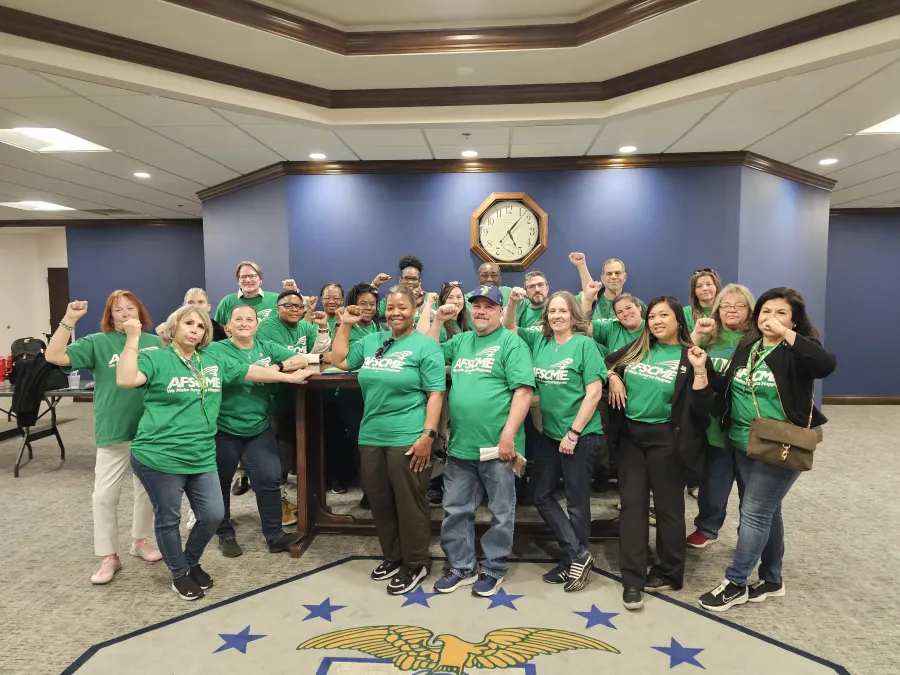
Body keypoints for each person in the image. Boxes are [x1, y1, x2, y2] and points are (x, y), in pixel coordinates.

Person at [116, 305, 314, 600]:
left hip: (201, 451)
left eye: (200, 326)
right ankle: (180, 572)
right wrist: (132, 338)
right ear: (174, 328)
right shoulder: (154, 357)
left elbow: (249, 371)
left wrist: (288, 377)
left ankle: (190, 560)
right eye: (188, 323)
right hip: (160, 454)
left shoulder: (211, 358)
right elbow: (126, 379)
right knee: (168, 518)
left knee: (211, 514)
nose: (194, 329)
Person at [698, 288, 836, 612]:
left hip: (781, 444)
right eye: (765, 311)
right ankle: (772, 578)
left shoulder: (797, 350)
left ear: (794, 320)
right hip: (744, 441)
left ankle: (736, 583)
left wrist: (788, 334)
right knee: (766, 510)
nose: (770, 318)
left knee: (755, 511)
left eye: (780, 312)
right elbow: (727, 386)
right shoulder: (749, 346)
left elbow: (826, 365)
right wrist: (703, 366)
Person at [330, 286, 446, 595]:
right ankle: (394, 556)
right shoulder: (371, 341)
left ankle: (416, 563)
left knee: (410, 502)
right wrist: (345, 324)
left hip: (407, 436)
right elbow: (339, 359)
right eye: (391, 307)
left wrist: (427, 436)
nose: (396, 313)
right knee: (380, 501)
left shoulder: (426, 346)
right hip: (371, 434)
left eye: (403, 307)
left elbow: (436, 394)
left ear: (414, 310)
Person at [45, 292, 163, 585]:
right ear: (111, 317)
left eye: (129, 308)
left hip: (149, 432)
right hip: (113, 431)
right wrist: (70, 320)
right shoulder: (98, 342)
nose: (124, 314)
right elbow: (54, 356)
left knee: (147, 491)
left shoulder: (156, 344)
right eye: (117, 310)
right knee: (104, 495)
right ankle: (108, 556)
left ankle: (139, 540)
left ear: (140, 312)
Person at [605, 296, 714, 611]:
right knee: (633, 509)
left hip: (668, 440)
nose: (656, 321)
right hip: (631, 440)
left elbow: (703, 407)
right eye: (652, 316)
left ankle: (669, 571)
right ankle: (633, 579)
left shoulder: (689, 355)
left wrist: (700, 372)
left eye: (663, 315)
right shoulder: (637, 350)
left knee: (668, 510)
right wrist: (613, 377)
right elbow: (603, 362)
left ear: (678, 320)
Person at [427, 285, 535, 598]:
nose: (481, 311)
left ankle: (493, 568)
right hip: (461, 445)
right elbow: (428, 354)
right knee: (455, 509)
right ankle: (461, 567)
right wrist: (437, 321)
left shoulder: (512, 343)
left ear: (500, 311)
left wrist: (509, 434)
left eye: (489, 306)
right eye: (477, 306)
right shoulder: (460, 341)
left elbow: (524, 391)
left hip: (499, 447)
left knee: (501, 513)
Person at [504, 288, 607, 592]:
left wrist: (573, 433)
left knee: (576, 502)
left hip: (581, 434)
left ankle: (570, 561)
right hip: (548, 434)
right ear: (546, 317)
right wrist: (512, 302)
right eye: (552, 311)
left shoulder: (586, 345)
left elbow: (594, 392)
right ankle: (579, 554)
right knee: (539, 494)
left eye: (563, 311)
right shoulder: (539, 341)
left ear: (573, 315)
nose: (557, 316)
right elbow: (510, 326)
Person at [206, 305, 313, 558]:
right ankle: (224, 533)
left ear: (257, 324)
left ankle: (275, 536)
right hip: (224, 428)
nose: (244, 323)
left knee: (269, 479)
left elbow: (300, 359)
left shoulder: (265, 347)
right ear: (227, 326)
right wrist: (281, 375)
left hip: (258, 427)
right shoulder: (215, 350)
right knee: (220, 483)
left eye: (250, 319)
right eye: (238, 319)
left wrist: (276, 366)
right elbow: (244, 374)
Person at [686, 284, 755, 549]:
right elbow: (681, 360)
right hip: (715, 424)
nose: (732, 311)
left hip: (750, 426)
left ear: (750, 310)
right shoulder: (710, 337)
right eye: (726, 306)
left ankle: (749, 534)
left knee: (751, 487)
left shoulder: (757, 339)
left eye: (739, 306)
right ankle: (707, 527)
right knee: (714, 481)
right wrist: (697, 334)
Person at [257, 289, 331, 522]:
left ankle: (308, 503)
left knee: (303, 450)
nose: (293, 309)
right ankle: (278, 503)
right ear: (277, 307)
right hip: (275, 397)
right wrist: (313, 359)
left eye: (298, 306)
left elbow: (321, 351)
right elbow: (286, 359)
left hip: (302, 394)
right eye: (287, 305)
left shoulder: (306, 326)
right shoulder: (268, 326)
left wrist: (322, 329)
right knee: (279, 453)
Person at [336, 282, 390, 510]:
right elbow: (336, 357)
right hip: (352, 395)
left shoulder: (383, 329)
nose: (368, 308)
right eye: (362, 304)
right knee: (363, 445)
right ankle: (368, 490)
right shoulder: (344, 325)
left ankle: (383, 489)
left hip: (378, 394)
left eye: (372, 304)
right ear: (352, 305)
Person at [416, 281, 470, 506]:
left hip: (464, 389)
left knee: (457, 435)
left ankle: (458, 481)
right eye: (451, 297)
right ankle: (434, 482)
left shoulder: (469, 326)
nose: (456, 301)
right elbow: (425, 350)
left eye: (459, 297)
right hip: (440, 388)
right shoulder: (437, 323)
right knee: (439, 436)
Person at [570, 252, 643, 322]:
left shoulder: (635, 304)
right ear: (602, 278)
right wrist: (581, 265)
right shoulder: (586, 299)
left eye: (617, 273)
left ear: (625, 277)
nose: (613, 277)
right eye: (609, 274)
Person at [582, 284, 645, 358]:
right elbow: (584, 327)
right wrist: (587, 301)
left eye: (628, 308)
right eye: (619, 312)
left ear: (639, 307)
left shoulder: (651, 329)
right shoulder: (612, 328)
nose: (625, 313)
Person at [373, 255, 428, 320]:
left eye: (414, 279)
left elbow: (438, 317)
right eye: (406, 278)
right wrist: (374, 284)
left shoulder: (431, 299)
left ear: (419, 281)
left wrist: (422, 305)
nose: (410, 282)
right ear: (400, 281)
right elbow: (370, 313)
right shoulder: (390, 299)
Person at [684, 269, 722, 333]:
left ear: (716, 286)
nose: (705, 289)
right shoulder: (686, 312)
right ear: (694, 291)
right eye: (699, 286)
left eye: (709, 284)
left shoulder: (725, 309)